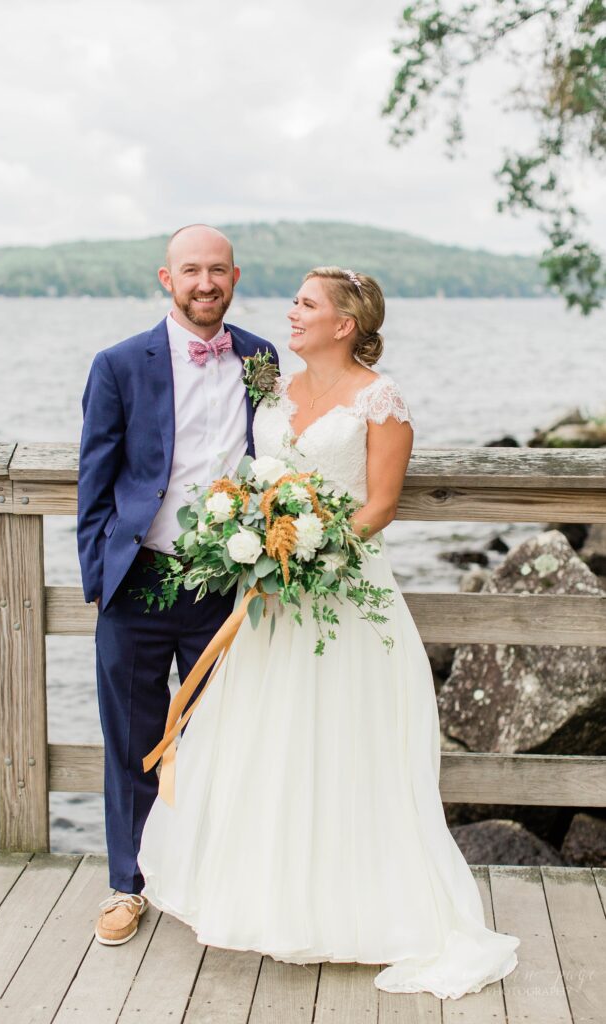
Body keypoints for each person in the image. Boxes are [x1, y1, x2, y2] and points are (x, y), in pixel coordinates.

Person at [137, 266, 520, 999]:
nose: (291, 312)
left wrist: (314, 549)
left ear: (345, 324)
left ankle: (360, 909)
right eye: (295, 302)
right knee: (271, 740)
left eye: (306, 304)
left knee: (345, 743)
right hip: (274, 601)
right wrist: (249, 532)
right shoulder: (274, 390)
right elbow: (254, 480)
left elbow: (379, 503)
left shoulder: (381, 399)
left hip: (343, 593)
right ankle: (275, 902)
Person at [76, 224, 278, 946]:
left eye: (216, 271)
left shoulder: (260, 358)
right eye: (190, 271)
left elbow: (272, 455)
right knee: (131, 739)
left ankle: (207, 879)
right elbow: (93, 483)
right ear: (167, 279)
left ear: (234, 276)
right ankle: (126, 886)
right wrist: (97, 579)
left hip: (223, 587)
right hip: (137, 583)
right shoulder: (118, 364)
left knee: (222, 738)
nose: (204, 283)